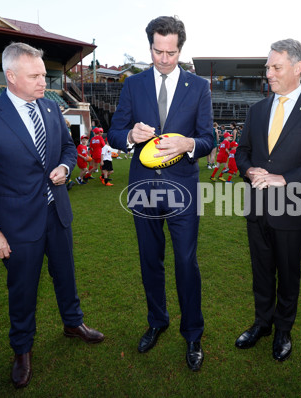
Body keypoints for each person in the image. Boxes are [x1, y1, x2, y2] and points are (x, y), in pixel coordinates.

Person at [0, 42, 104, 389]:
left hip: (57, 213)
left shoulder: (53, 110)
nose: (45, 82)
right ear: (11, 77)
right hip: (16, 224)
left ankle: (73, 323)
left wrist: (63, 166)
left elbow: (69, 149)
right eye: (36, 75)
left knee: (66, 275)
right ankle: (22, 350)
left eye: (44, 74)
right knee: (23, 289)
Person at [107, 16, 214, 372]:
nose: (164, 58)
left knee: (186, 262)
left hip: (183, 187)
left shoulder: (198, 86)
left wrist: (189, 144)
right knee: (149, 259)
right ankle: (157, 320)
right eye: (157, 50)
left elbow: (208, 139)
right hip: (143, 187)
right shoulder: (133, 84)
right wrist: (129, 136)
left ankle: (193, 332)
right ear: (149, 45)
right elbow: (115, 131)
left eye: (171, 52)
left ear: (180, 48)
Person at [234, 38, 301, 362]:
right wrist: (248, 169)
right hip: (257, 206)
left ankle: (283, 330)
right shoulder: (257, 109)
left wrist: (285, 179)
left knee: (289, 274)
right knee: (261, 272)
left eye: (275, 67)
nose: (268, 73)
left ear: (297, 68)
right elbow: (242, 151)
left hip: (293, 207)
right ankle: (262, 324)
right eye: (267, 66)